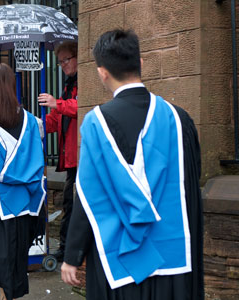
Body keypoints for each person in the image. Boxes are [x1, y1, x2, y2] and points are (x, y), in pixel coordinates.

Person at [61, 29, 204, 300]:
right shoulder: (179, 119)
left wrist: (73, 254)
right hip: (173, 258)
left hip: (119, 260)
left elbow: (88, 195)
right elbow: (190, 185)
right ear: (141, 63)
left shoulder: (96, 123)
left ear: (102, 72)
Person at [0, 63, 46, 300]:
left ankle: (6, 294)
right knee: (15, 260)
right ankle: (7, 295)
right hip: (26, 204)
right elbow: (39, 163)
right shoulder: (31, 121)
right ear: (10, 86)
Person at [37, 41, 78, 261]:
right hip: (70, 157)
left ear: (77, 57)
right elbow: (57, 120)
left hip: (80, 157)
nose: (62, 65)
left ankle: (67, 249)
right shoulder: (68, 85)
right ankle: (66, 247)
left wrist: (57, 104)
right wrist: (38, 125)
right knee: (68, 204)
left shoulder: (83, 82)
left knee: (71, 205)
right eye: (60, 62)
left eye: (66, 60)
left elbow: (79, 107)